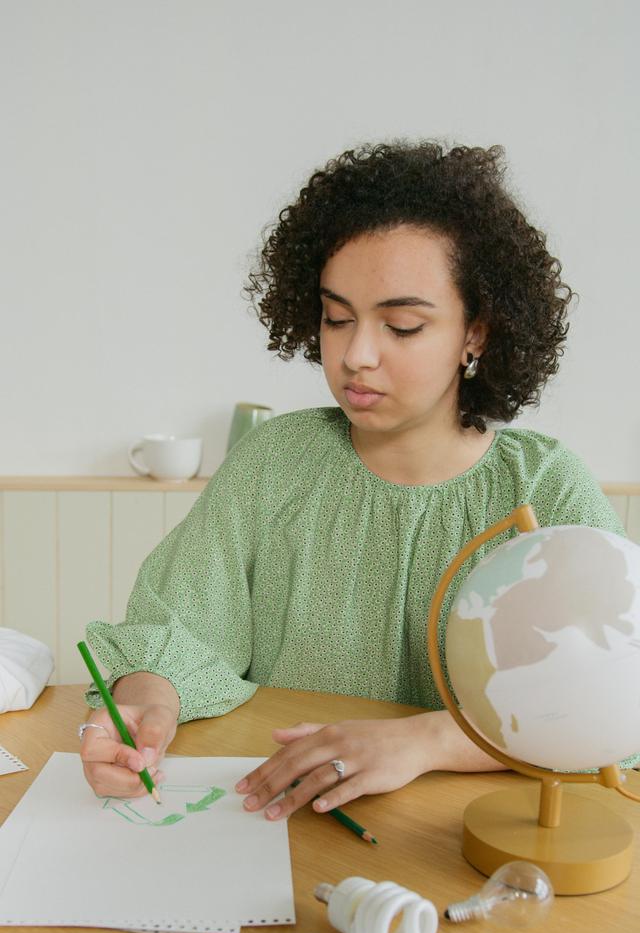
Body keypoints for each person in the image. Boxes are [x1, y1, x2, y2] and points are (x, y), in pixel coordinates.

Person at [79, 140, 630, 819]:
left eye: (402, 326)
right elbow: (182, 631)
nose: (355, 355)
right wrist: (148, 702)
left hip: (465, 839)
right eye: (337, 318)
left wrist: (430, 739)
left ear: (477, 335)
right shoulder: (274, 462)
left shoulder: (545, 489)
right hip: (283, 821)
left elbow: (612, 701)